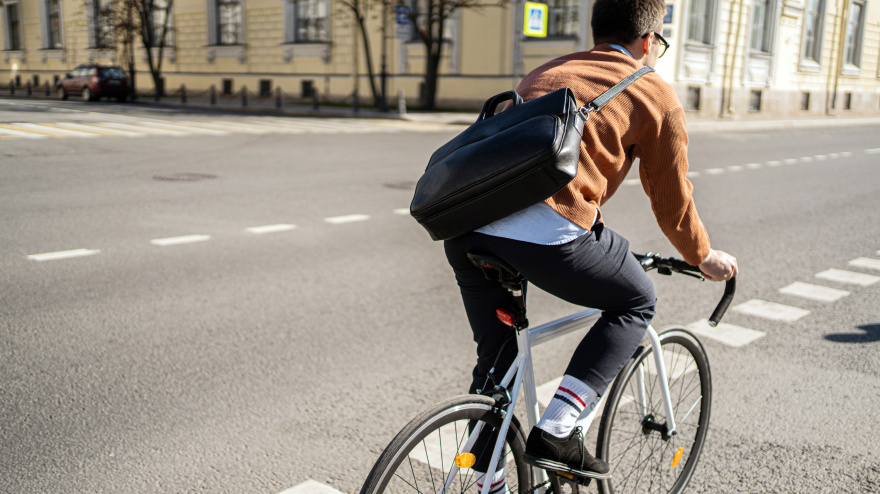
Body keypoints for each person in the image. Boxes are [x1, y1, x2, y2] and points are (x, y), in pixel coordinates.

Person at [442, 0, 738, 485]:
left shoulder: (547, 71)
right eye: (659, 44)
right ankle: (559, 431)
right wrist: (702, 256)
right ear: (648, 42)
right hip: (547, 235)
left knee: (496, 363)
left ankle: (485, 477)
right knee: (636, 299)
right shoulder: (653, 93)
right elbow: (672, 201)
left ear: (595, 31)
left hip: (468, 229)